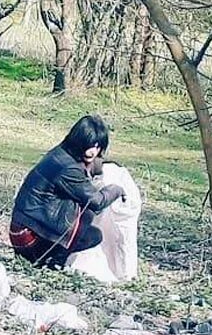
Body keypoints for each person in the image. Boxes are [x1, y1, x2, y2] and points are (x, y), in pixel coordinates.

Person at [10, 115, 126, 268]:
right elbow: (97, 201)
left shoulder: (61, 153)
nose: (93, 151)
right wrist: (117, 189)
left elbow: (87, 169)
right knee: (92, 231)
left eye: (98, 147)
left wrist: (101, 165)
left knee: (84, 215)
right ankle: (52, 262)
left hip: (22, 230)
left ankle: (48, 257)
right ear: (80, 141)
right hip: (28, 238)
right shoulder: (69, 168)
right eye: (90, 145)